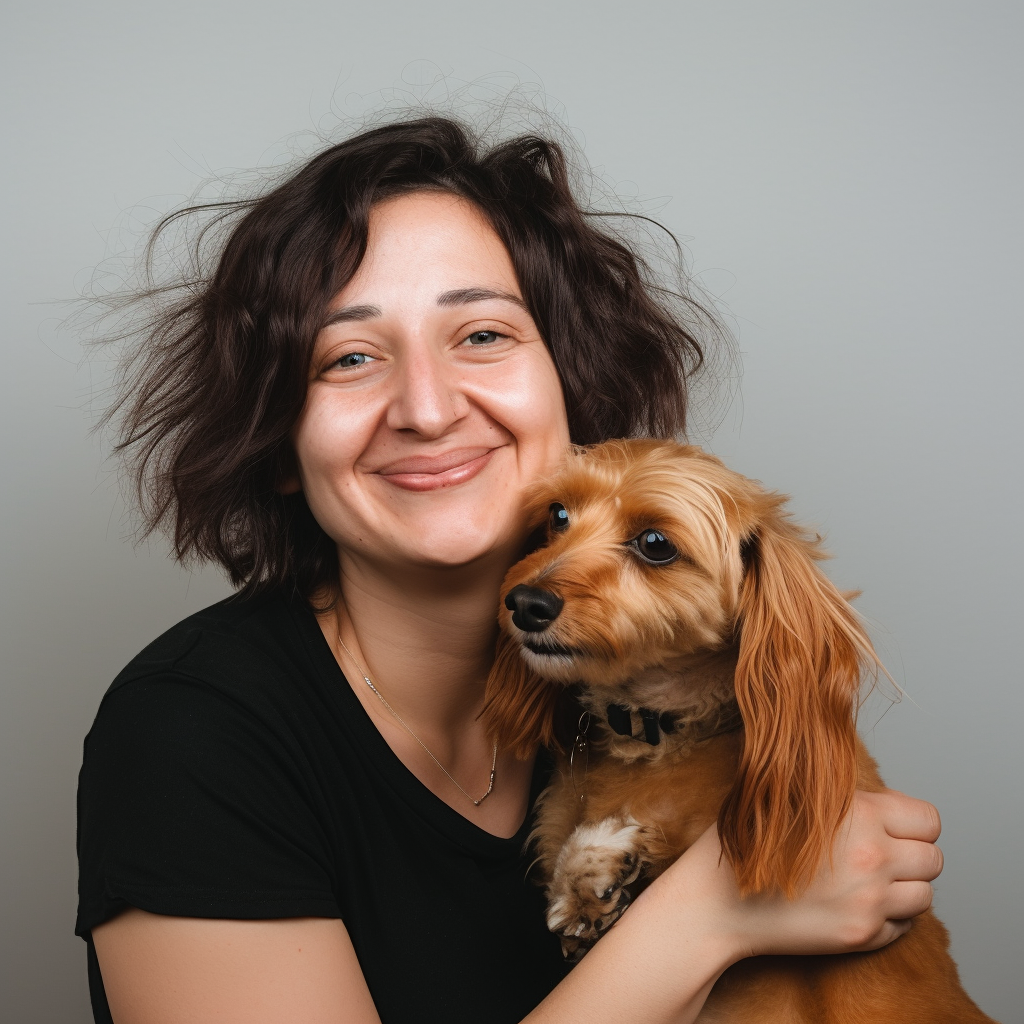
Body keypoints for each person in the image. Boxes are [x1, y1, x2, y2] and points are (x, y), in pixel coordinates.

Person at [77, 116, 944, 1024]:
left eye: (482, 335)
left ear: (572, 389)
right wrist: (715, 912)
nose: (425, 407)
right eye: (351, 357)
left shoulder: (642, 697)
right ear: (281, 445)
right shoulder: (190, 735)